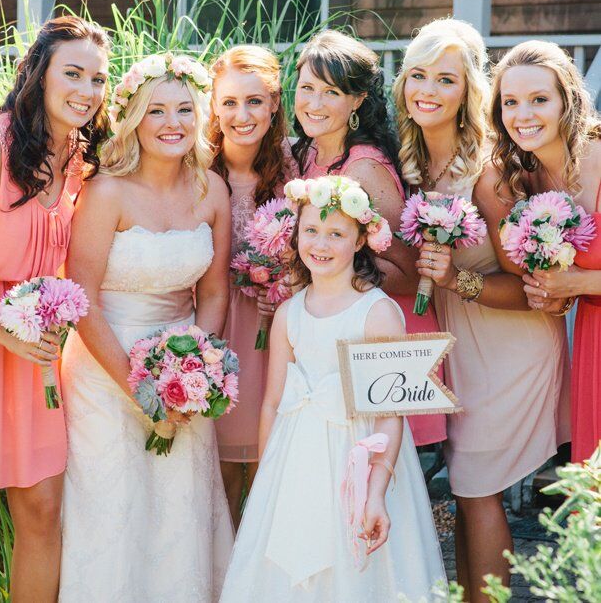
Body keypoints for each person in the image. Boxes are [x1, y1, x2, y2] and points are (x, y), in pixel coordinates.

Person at [393, 18, 570, 601]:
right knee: (469, 490)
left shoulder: (489, 174)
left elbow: (536, 292)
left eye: (445, 79)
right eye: (417, 74)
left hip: (510, 345)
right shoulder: (416, 163)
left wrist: (458, 279)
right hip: (460, 346)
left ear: (467, 90)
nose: (427, 89)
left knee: (475, 488)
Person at [58, 52, 234, 601]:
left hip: (185, 371)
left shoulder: (212, 191)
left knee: (179, 507)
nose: (172, 123)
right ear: (135, 117)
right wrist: (140, 385)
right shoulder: (106, 191)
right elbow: (81, 295)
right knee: (112, 507)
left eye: (185, 109)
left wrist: (196, 369)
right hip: (102, 369)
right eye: (157, 110)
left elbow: (213, 290)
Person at [219, 176, 445, 602]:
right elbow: (272, 404)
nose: (320, 244)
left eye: (336, 234)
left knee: (351, 566)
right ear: (296, 234)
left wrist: (376, 490)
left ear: (360, 240)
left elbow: (389, 414)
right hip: (294, 459)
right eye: (311, 231)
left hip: (355, 459)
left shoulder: (377, 313)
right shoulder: (289, 313)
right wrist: (269, 478)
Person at [0, 15, 109, 602]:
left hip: (37, 347)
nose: (87, 92)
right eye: (73, 74)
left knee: (43, 509)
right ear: (39, 75)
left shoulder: (80, 156)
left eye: (98, 79)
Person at [294, 29, 446, 447]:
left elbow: (410, 273)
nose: (314, 103)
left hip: (379, 339)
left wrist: (329, 271)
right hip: (330, 332)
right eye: (306, 88)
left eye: (331, 92)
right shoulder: (306, 154)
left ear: (358, 100)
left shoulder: (364, 169)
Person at [490, 40, 601, 463]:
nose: (523, 115)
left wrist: (578, 282)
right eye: (510, 102)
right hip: (592, 337)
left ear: (566, 102)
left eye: (539, 99)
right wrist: (551, 295)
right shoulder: (529, 180)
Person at [209, 45, 293, 527]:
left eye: (255, 101)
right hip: (219, 328)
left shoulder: (295, 169)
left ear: (274, 102)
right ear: (215, 108)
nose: (242, 115)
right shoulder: (199, 169)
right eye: (230, 103)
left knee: (270, 466)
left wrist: (285, 280)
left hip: (274, 329)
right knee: (220, 474)